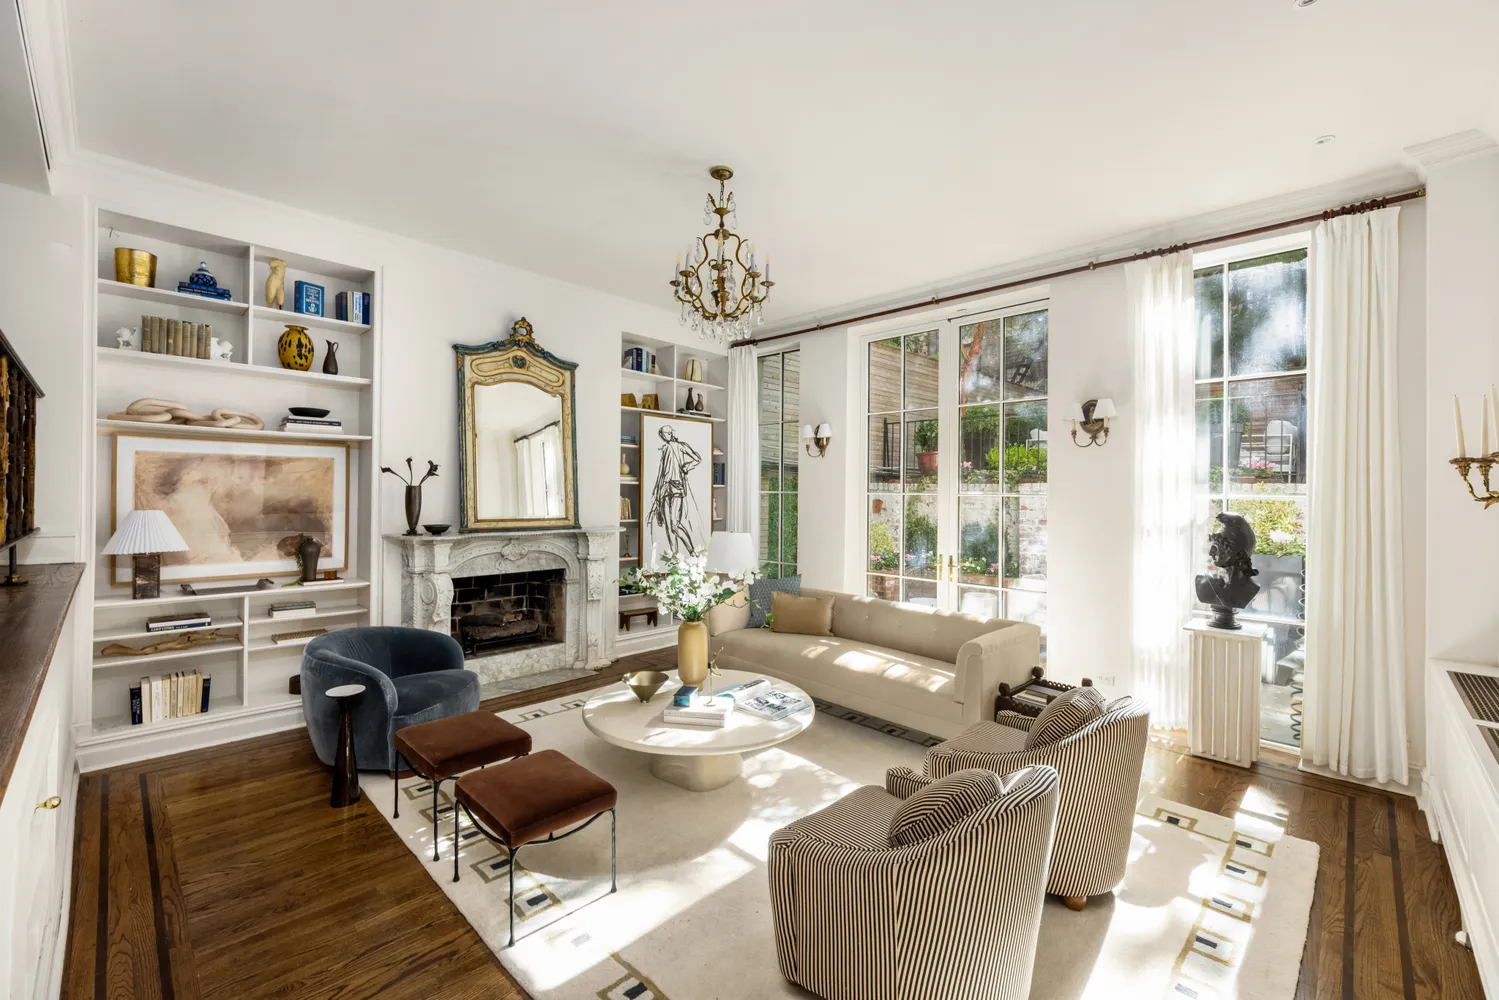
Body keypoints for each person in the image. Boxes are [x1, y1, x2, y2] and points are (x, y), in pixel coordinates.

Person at [647, 424, 703, 558]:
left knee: (674, 525)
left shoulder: (680, 445)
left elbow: (697, 459)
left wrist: (687, 467)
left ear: (671, 433)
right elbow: (661, 473)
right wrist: (657, 493)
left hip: (676, 487)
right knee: (668, 526)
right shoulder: (665, 448)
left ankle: (691, 551)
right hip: (664, 488)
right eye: (663, 434)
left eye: (667, 433)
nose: (665, 436)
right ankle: (674, 557)